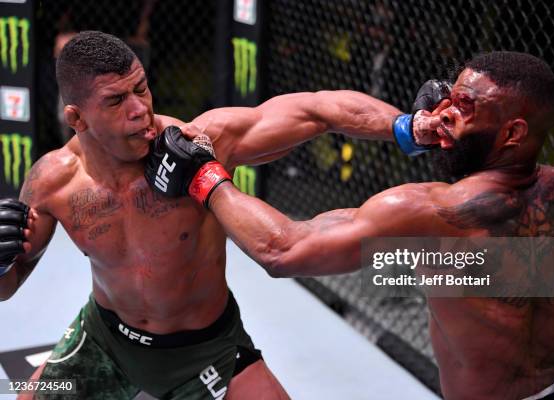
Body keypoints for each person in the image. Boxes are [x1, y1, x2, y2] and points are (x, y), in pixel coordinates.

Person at [0, 31, 441, 399]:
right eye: (116, 101)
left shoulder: (204, 142)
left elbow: (315, 110)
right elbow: (8, 286)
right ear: (77, 118)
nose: (140, 110)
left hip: (208, 347)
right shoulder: (52, 181)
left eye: (141, 88)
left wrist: (406, 127)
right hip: (106, 339)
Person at [149, 51, 554, 399]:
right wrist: (409, 127)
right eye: (450, 97)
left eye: (467, 108)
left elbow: (282, 250)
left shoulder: (430, 213)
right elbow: (320, 112)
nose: (447, 111)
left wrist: (205, 176)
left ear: (512, 133)